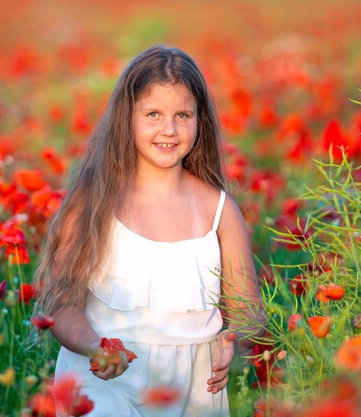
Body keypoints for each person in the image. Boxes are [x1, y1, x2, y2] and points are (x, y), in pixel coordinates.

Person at [34, 45, 266, 417]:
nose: (169, 129)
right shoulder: (94, 203)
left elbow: (247, 308)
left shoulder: (219, 210)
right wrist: (96, 347)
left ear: (199, 121)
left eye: (183, 115)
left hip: (195, 391)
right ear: (127, 118)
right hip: (106, 381)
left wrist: (233, 340)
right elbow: (63, 306)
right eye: (153, 114)